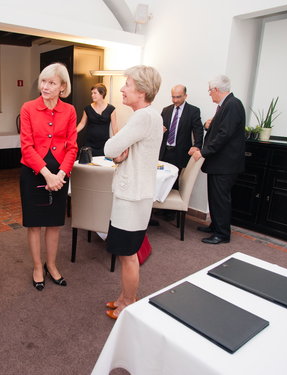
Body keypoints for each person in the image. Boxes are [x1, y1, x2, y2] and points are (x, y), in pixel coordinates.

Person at [103, 65, 163, 319]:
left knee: (128, 255)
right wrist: (119, 156)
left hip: (133, 197)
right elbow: (120, 153)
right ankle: (124, 296)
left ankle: (129, 302)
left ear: (141, 90)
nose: (122, 89)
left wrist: (117, 153)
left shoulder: (142, 117)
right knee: (125, 251)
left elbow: (109, 148)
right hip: (135, 195)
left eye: (126, 84)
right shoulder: (152, 116)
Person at [19, 63, 78, 291]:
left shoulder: (70, 111)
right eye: (43, 81)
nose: (45, 86)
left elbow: (72, 147)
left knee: (54, 224)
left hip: (60, 174)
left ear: (63, 87)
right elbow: (27, 146)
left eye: (51, 83)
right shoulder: (28, 108)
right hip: (34, 172)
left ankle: (51, 265)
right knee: (34, 224)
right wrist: (47, 175)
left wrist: (61, 174)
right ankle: (36, 267)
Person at [190, 75, 246, 244]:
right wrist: (209, 125)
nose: (209, 95)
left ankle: (222, 234)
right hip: (219, 163)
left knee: (221, 198)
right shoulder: (226, 105)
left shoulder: (233, 104)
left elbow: (224, 135)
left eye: (210, 91)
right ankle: (215, 225)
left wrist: (204, 152)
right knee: (215, 197)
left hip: (225, 164)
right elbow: (221, 129)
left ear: (216, 90)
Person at [155, 84, 203, 221]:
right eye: (173, 97)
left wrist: (197, 146)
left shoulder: (193, 111)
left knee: (174, 179)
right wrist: (160, 128)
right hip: (165, 151)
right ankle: (160, 205)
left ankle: (171, 211)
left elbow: (198, 130)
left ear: (185, 96)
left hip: (180, 151)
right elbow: (160, 127)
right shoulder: (166, 110)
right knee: (162, 178)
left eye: (178, 97)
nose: (175, 100)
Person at [76, 83, 118, 156]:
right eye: (92, 93)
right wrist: (72, 132)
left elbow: (115, 128)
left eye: (95, 93)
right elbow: (82, 123)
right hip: (89, 143)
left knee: (101, 165)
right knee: (87, 165)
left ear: (102, 93)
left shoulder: (111, 109)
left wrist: (118, 142)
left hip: (104, 144)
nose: (92, 95)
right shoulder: (87, 108)